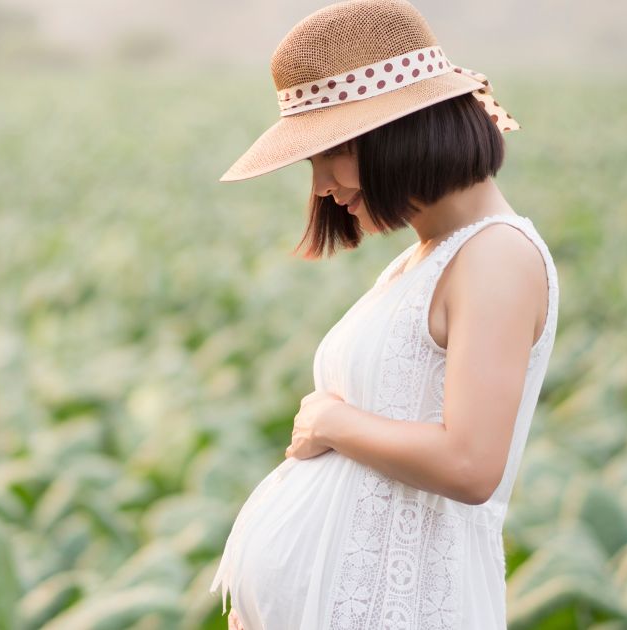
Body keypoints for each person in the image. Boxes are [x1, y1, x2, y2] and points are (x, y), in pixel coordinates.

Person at [207, 1, 560, 628]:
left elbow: (471, 463)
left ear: (393, 133)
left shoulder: (497, 255)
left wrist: (332, 421)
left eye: (327, 154)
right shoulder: (426, 259)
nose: (319, 186)